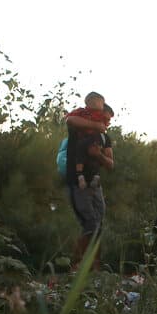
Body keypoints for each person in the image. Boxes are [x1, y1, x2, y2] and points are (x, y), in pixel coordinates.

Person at [65, 93, 114, 270]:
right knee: (90, 223)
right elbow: (70, 120)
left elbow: (110, 164)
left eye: (108, 121)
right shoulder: (80, 124)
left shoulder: (104, 138)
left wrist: (98, 155)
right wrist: (96, 125)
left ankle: (94, 264)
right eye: (105, 119)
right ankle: (77, 264)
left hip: (95, 184)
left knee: (98, 223)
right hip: (78, 182)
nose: (107, 123)